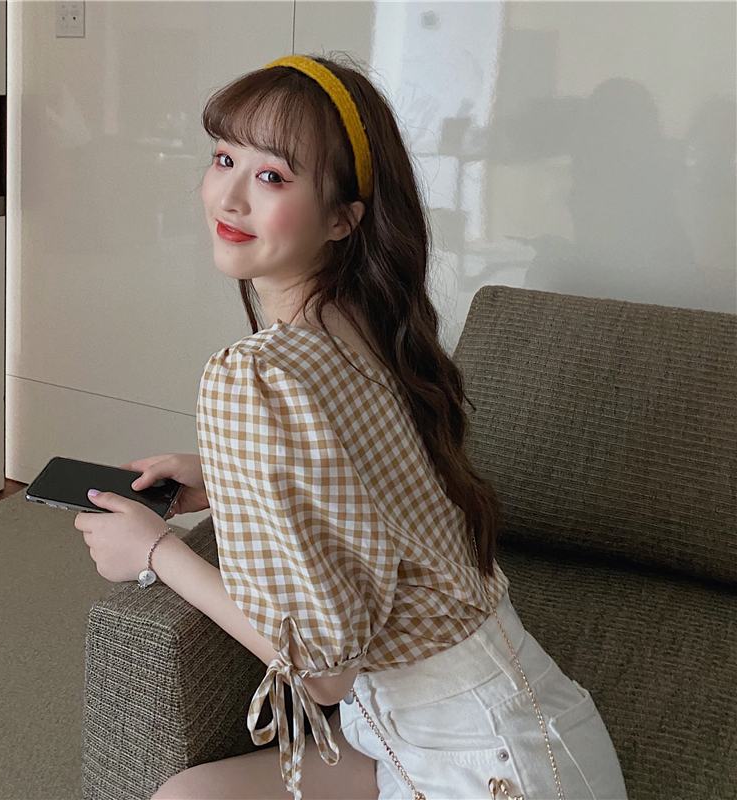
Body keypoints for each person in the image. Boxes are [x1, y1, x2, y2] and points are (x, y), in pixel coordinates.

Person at [75, 53, 629, 800]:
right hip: (512, 732)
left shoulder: (255, 374)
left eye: (273, 176)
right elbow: (369, 489)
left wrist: (155, 551)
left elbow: (322, 676)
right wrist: (229, 481)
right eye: (224, 158)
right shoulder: (367, 325)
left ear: (343, 218)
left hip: (485, 770)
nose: (228, 196)